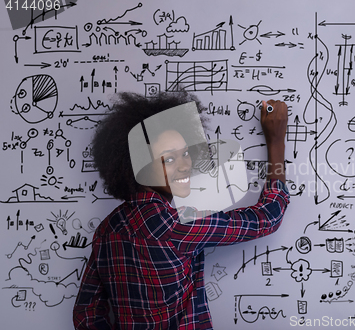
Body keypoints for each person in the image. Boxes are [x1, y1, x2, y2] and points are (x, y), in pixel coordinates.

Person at [73, 90, 289, 330]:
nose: (186, 165)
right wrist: (276, 141)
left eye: (185, 153)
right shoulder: (177, 224)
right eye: (169, 159)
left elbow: (87, 313)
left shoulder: (107, 229)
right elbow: (267, 218)